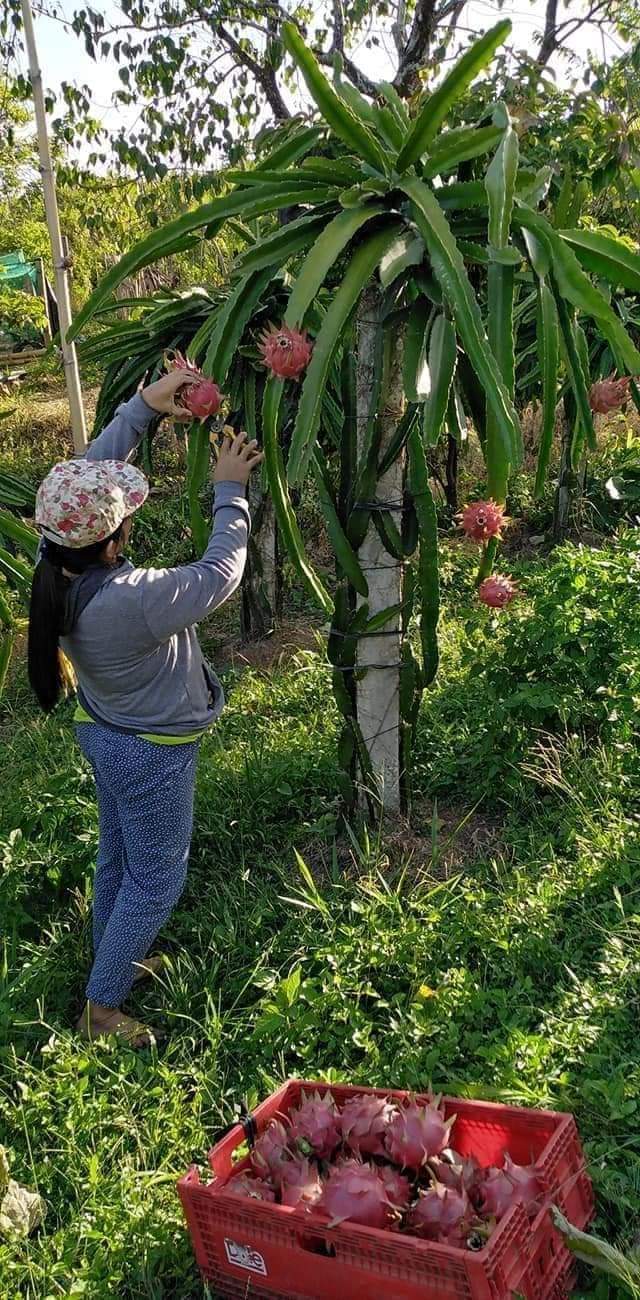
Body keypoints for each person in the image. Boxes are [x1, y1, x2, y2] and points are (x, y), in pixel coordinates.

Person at [27, 370, 263, 1047]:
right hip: (150, 750)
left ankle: (116, 959)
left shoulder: (56, 562)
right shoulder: (132, 601)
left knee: (120, 858)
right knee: (157, 879)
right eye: (124, 521)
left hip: (105, 731)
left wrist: (143, 409)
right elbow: (220, 573)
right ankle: (102, 1010)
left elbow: (90, 471)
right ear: (110, 543)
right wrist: (230, 489)